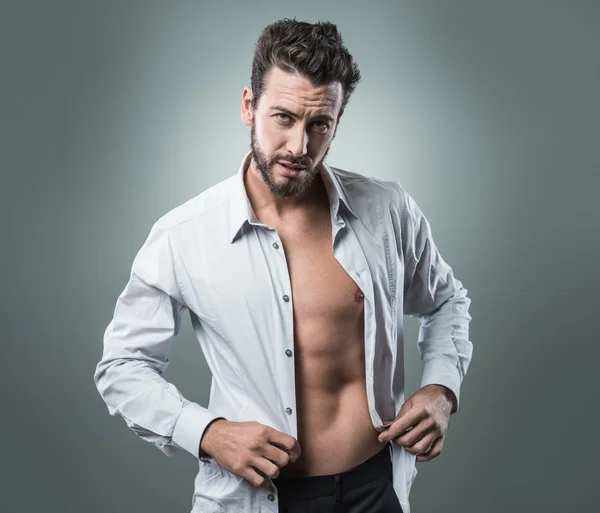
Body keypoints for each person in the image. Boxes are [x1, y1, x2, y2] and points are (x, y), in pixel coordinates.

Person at [94, 17, 473, 513]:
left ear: (337, 122)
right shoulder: (184, 236)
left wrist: (441, 387)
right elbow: (122, 367)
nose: (299, 147)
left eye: (320, 125)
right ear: (249, 106)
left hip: (377, 488)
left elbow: (446, 300)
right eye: (283, 118)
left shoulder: (387, 210)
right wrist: (207, 433)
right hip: (258, 499)